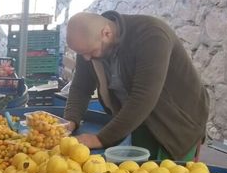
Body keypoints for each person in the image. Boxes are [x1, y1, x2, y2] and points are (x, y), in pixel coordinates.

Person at [63, 11, 210, 161]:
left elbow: (143, 98)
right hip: (137, 121)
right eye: (83, 54)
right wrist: (70, 121)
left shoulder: (152, 36)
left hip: (176, 124)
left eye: (91, 52)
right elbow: (81, 87)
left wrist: (99, 139)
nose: (87, 58)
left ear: (106, 33)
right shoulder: (89, 44)